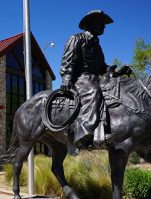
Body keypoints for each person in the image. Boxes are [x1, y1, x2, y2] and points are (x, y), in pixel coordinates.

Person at [60, 10, 113, 148]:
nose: (104, 26)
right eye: (101, 23)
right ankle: (84, 134)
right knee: (94, 92)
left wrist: (114, 71)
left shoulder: (97, 45)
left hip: (95, 77)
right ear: (92, 24)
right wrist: (66, 78)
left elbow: (102, 67)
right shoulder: (76, 39)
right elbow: (68, 61)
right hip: (82, 78)